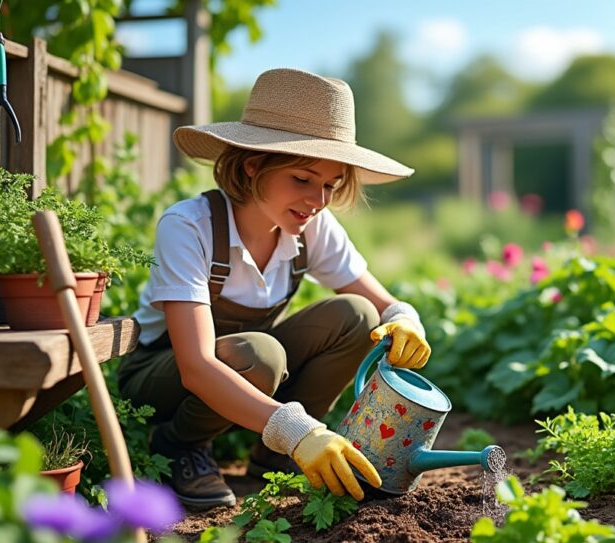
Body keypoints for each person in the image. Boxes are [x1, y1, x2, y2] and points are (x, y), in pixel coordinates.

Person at [117, 68, 431, 510]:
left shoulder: (312, 226)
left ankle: (273, 457)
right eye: (302, 179)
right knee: (261, 354)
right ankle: (178, 447)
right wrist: (297, 428)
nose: (317, 201)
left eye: (329, 184)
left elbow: (381, 304)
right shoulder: (190, 225)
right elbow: (196, 365)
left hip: (244, 373)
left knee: (358, 317)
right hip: (163, 380)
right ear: (252, 166)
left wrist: (404, 318)